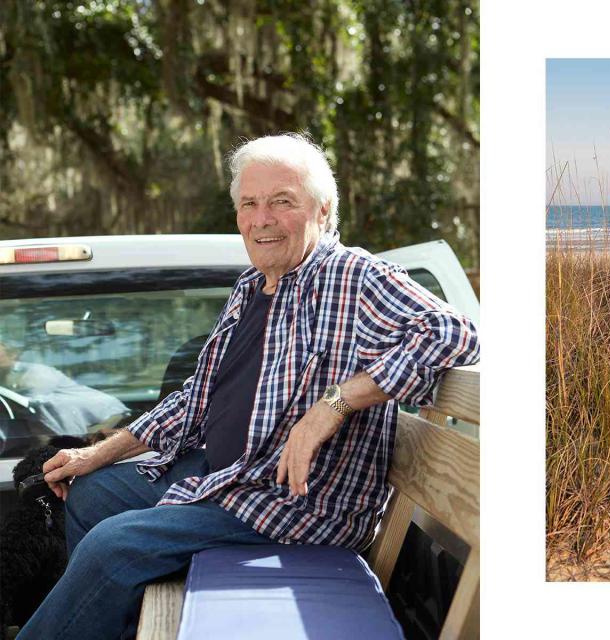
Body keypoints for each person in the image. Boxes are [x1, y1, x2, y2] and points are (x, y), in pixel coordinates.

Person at [17, 133, 480, 639]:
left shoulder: (353, 275)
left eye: (282, 202)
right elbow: (196, 400)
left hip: (292, 500)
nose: (262, 218)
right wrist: (95, 454)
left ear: (322, 212)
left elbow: (455, 332)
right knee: (92, 493)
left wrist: (334, 405)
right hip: (229, 472)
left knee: (114, 546)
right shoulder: (250, 286)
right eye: (249, 204)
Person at [0, 340, 129, 436]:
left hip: (104, 417)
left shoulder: (35, 372)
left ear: (13, 355)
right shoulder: (4, 374)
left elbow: (31, 405)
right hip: (64, 425)